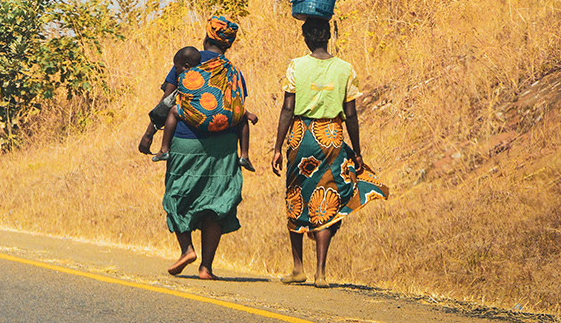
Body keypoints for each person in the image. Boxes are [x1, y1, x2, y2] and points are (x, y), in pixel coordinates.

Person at [271, 18, 389, 288]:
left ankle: (298, 268)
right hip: (332, 138)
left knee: (296, 195)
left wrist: (278, 147)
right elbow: (351, 115)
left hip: (301, 137)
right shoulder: (345, 69)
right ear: (328, 37)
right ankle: (320, 274)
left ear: (306, 39)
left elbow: (288, 110)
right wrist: (357, 151)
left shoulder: (296, 66)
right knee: (327, 197)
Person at [151, 16, 250, 279]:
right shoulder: (233, 72)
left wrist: (150, 133)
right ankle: (206, 267)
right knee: (215, 201)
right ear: (228, 44)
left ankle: (186, 249)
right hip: (224, 146)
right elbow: (237, 107)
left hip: (186, 140)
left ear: (206, 36)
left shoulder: (187, 62)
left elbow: (167, 102)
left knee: (177, 194)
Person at [138, 46, 200, 155]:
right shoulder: (224, 67)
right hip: (223, 140)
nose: (176, 70)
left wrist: (148, 134)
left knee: (173, 112)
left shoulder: (185, 68)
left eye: (176, 68)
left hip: (185, 138)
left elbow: (167, 100)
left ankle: (163, 150)